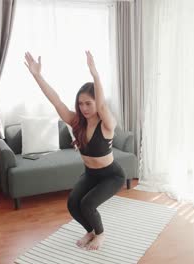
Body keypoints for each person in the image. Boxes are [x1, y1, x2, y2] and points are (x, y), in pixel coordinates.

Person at [24, 51, 125, 251]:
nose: (84, 107)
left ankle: (101, 234)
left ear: (97, 103)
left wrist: (95, 74)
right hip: (91, 174)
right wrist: (37, 76)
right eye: (81, 103)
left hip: (111, 176)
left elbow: (103, 105)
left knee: (87, 204)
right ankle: (90, 230)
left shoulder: (107, 124)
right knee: (73, 204)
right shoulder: (77, 122)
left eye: (89, 103)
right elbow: (56, 101)